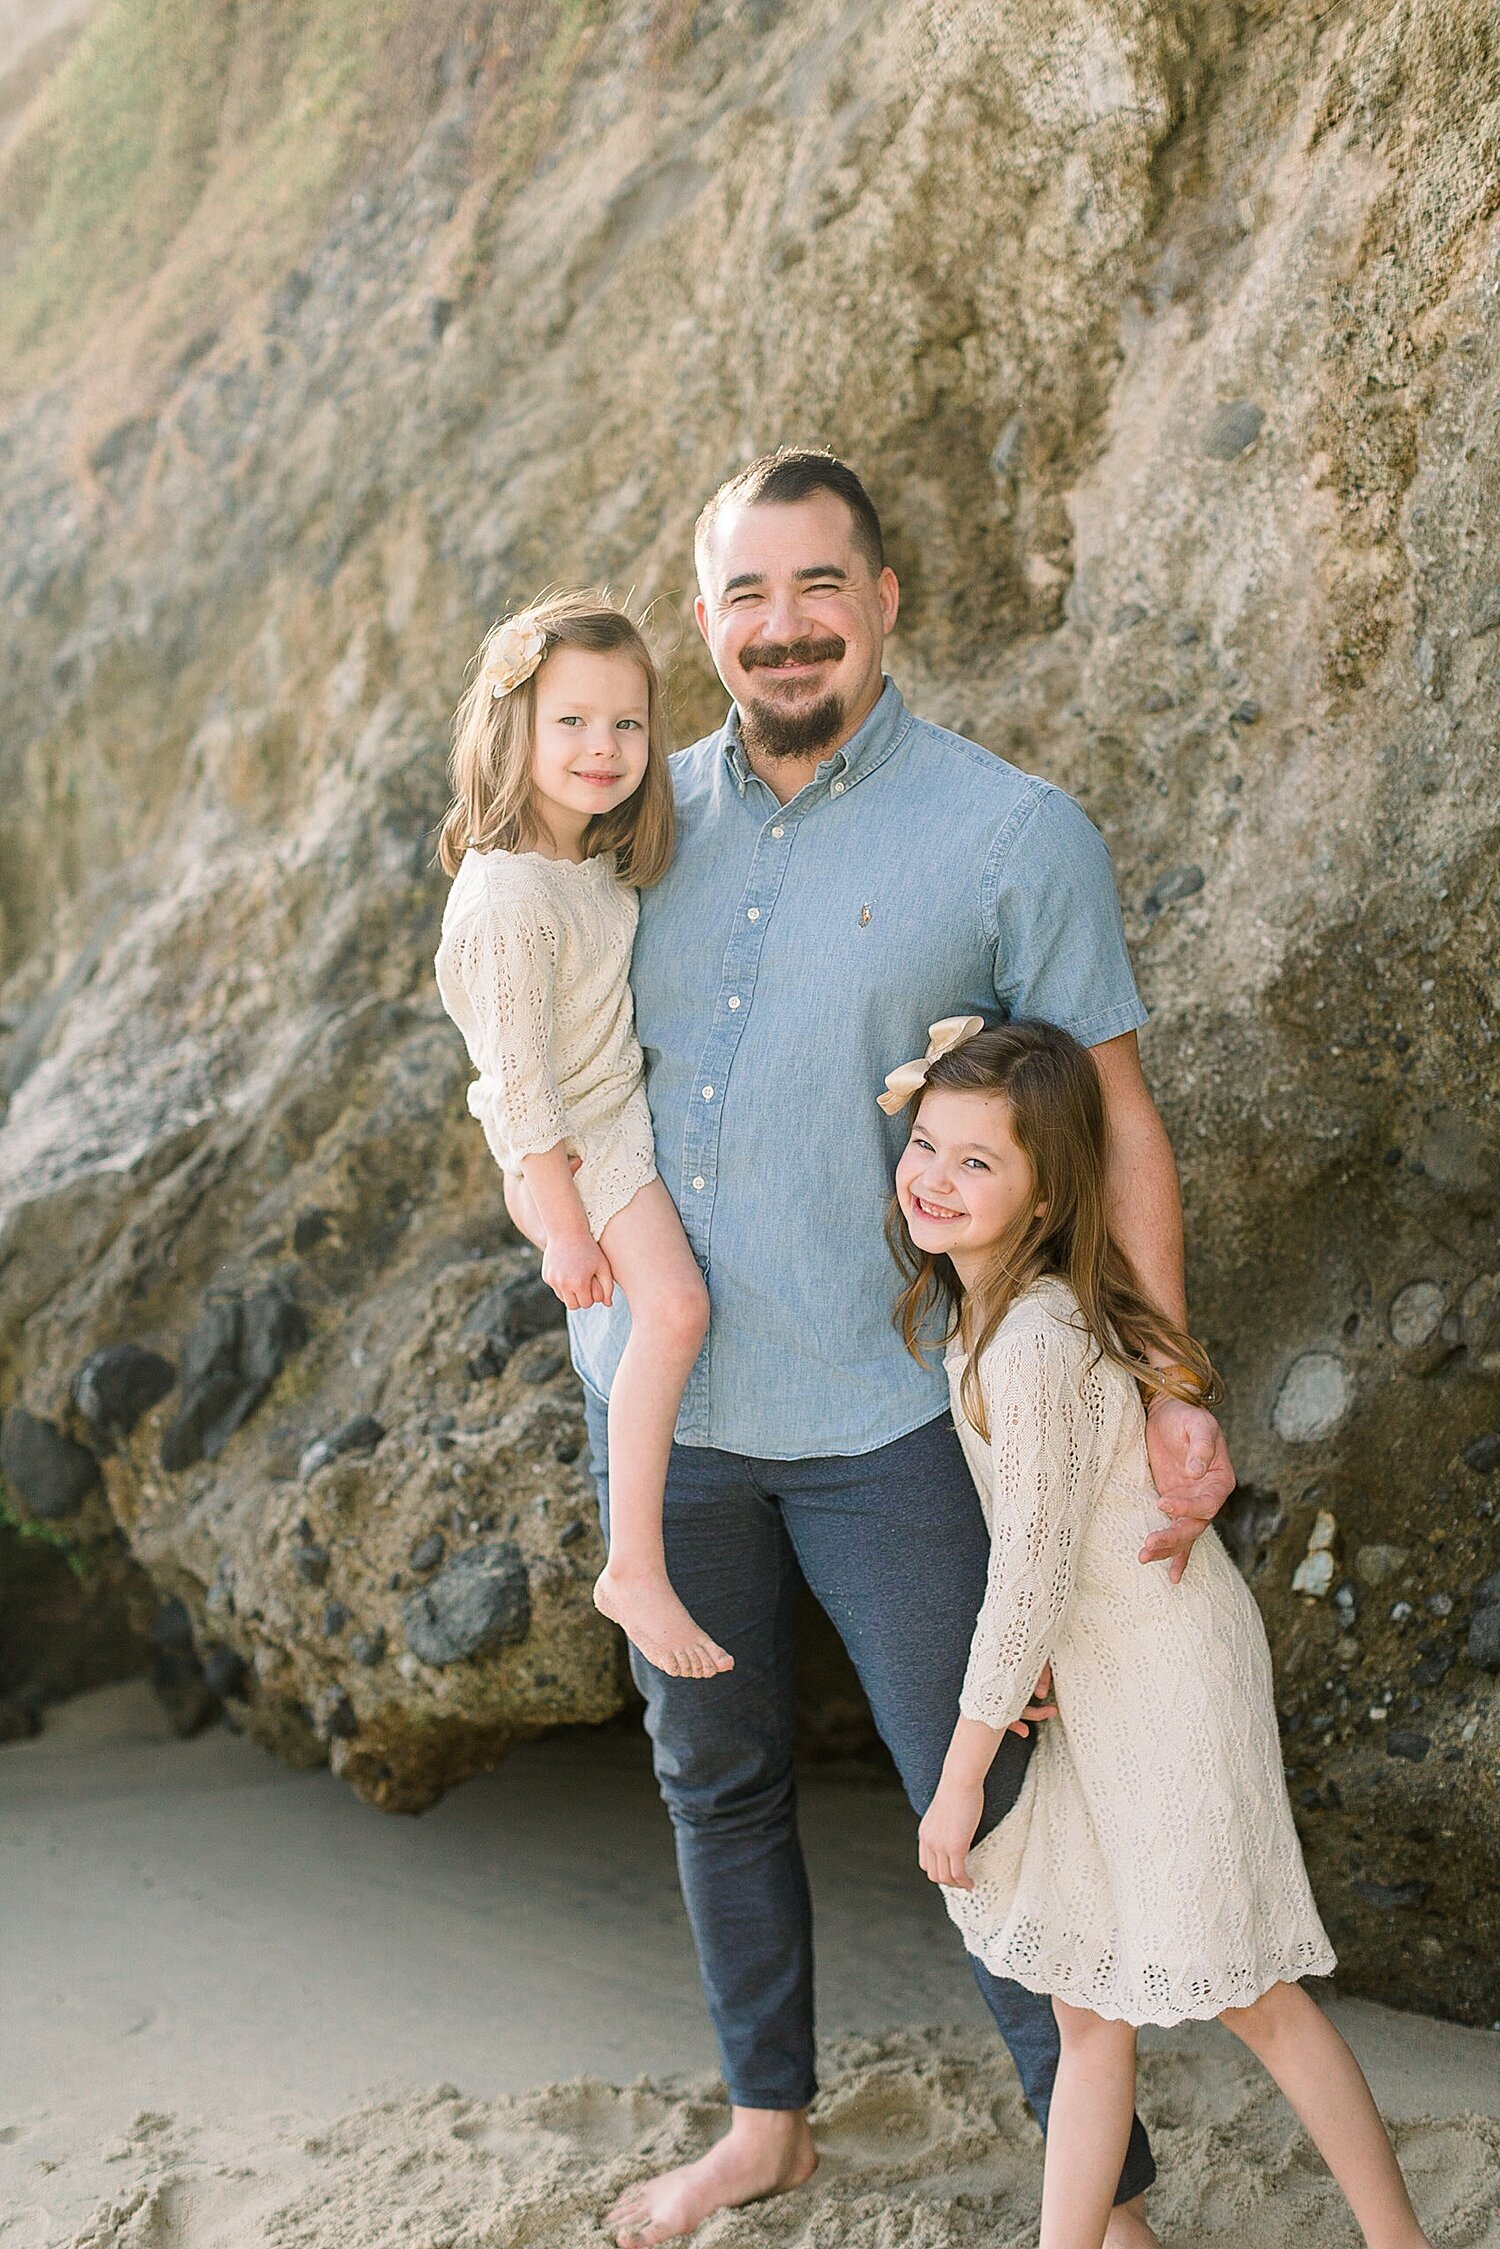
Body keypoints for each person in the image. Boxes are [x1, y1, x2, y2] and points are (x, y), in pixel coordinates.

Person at [510, 451, 1237, 2249]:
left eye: (816, 586)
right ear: (703, 621)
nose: (782, 627)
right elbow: (526, 1026)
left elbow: (1123, 1122)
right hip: (663, 1416)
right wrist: (557, 1227)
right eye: (745, 596)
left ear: (888, 597)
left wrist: (1175, 1381)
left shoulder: (1014, 832)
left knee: (981, 1790)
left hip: (901, 1415)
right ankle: (766, 2118)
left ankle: (1105, 2189)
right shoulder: (625, 822)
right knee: (715, 1773)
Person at [899, 1017, 1430, 2249]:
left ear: (1048, 1196)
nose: (934, 1175)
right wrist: (1035, 1675)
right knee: (1089, 2004)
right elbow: (1045, 1565)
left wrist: (960, 1777)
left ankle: (1401, 2241)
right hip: (1099, 1680)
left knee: (1256, 1994)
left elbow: (1025, 1573)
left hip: (1168, 1676)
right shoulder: (989, 1316)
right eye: (926, 1143)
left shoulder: (1030, 1341)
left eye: (979, 1162)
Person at [433, 591, 730, 1680]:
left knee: (672, 1308)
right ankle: (633, 1564)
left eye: (627, 725)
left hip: (606, 1116)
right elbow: (519, 1092)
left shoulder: (586, 860)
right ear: (515, 729)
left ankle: (640, 1553)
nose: (602, 749)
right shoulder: (511, 895)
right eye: (570, 722)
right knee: (678, 1306)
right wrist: (561, 1227)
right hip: (579, 1141)